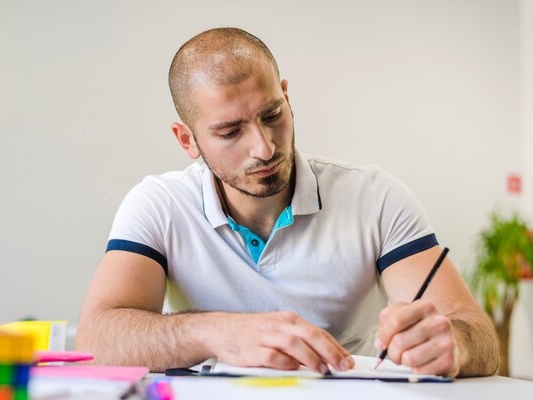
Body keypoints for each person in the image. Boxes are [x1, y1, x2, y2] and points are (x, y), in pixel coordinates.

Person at [76, 27, 499, 377]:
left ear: (287, 97)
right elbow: (97, 339)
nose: (263, 147)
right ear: (187, 139)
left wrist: (455, 344)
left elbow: (477, 335)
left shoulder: (376, 197)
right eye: (230, 132)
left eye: (272, 115)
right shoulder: (158, 204)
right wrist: (217, 333)